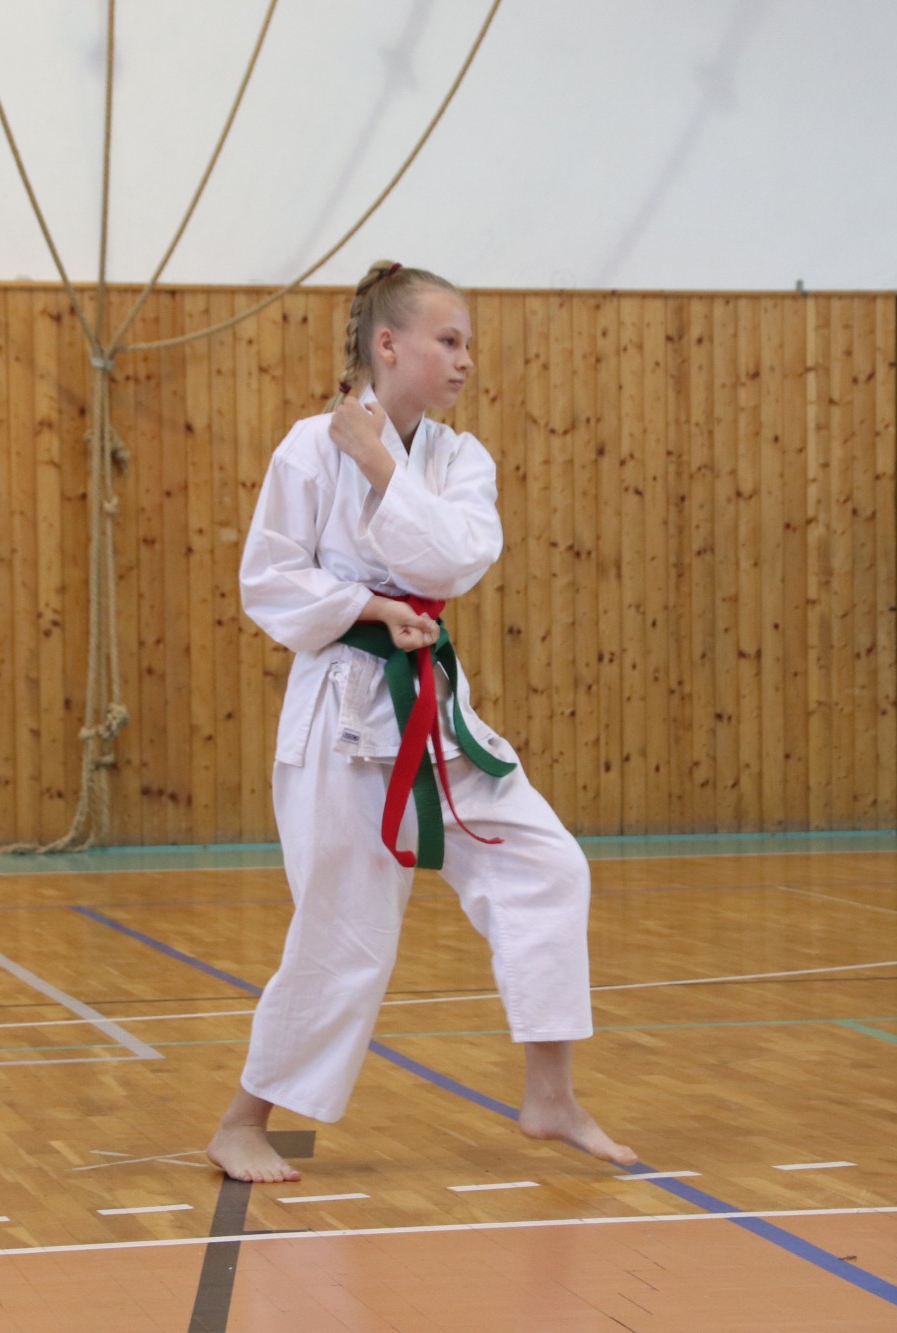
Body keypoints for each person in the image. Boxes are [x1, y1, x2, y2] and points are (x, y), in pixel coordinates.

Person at [206, 260, 635, 1183]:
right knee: (343, 931)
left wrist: (378, 463)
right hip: (342, 716)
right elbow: (267, 580)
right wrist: (368, 604)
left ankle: (551, 1095)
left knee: (547, 865)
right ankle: (242, 1121)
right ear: (389, 344)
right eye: (449, 340)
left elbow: (453, 561)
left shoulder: (458, 458)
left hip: (435, 708)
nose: (466, 359)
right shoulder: (307, 448)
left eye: (469, 343)